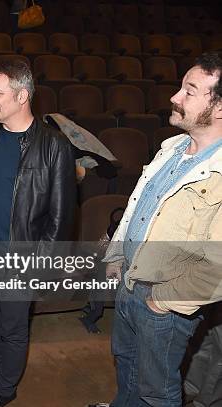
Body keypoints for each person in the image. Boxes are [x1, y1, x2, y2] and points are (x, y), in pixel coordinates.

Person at [94, 52, 222, 407]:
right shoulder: (173, 147)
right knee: (127, 370)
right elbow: (139, 208)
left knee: (157, 393)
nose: (174, 97)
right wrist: (119, 253)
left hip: (163, 302)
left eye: (189, 91)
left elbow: (219, 266)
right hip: (130, 284)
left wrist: (162, 302)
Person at [0, 61, 76, 407]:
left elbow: (61, 218)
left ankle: (6, 388)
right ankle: (4, 368)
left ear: (22, 95)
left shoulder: (54, 146)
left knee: (13, 328)